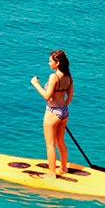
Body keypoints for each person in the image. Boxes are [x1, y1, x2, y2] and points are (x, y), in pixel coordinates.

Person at [31, 49, 74, 178]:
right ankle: (64, 167)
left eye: (51, 61)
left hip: (53, 112)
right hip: (64, 111)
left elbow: (46, 96)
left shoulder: (54, 77)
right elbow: (70, 96)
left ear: (58, 63)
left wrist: (35, 84)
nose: (49, 63)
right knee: (61, 141)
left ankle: (51, 173)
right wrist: (62, 107)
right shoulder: (68, 77)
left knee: (50, 145)